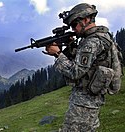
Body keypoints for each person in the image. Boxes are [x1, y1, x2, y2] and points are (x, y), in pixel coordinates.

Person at [43, 3, 116, 131]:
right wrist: (70, 47)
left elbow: (75, 72)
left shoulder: (91, 42)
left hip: (84, 103)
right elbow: (87, 64)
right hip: (90, 100)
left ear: (86, 20)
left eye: (74, 24)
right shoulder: (100, 36)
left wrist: (58, 54)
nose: (73, 29)